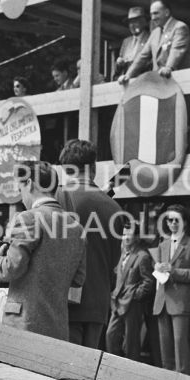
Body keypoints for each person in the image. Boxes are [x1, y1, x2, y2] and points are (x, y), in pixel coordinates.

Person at [0, 161, 86, 341]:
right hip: (58, 326)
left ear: (30, 184)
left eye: (20, 189)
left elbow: (9, 269)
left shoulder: (28, 218)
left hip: (23, 324)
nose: (21, 197)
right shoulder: (77, 228)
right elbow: (78, 279)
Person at [57, 139, 123, 348]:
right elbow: (114, 260)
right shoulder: (113, 207)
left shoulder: (57, 198)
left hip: (63, 301)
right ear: (93, 167)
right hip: (98, 304)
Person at [150, 204, 190, 375]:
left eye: (177, 220)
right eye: (170, 220)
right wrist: (158, 268)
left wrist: (174, 271)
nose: (173, 223)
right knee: (165, 348)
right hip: (162, 300)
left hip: (181, 301)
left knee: (181, 346)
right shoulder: (163, 245)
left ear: (184, 223)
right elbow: (158, 269)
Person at [105, 220, 155, 361]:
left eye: (130, 234)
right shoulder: (122, 253)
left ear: (137, 237)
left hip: (132, 303)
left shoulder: (143, 256)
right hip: (117, 302)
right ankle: (114, 366)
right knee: (110, 336)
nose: (126, 237)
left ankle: (131, 371)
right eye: (124, 234)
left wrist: (135, 295)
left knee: (131, 342)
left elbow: (148, 281)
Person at [120, 0, 190, 84]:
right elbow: (142, 56)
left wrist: (168, 67)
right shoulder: (155, 33)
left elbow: (176, 50)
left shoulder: (179, 27)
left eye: (156, 13)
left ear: (166, 12)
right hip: (165, 83)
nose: (153, 18)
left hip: (185, 80)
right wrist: (128, 75)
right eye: (151, 14)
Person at [114, 6, 151, 80]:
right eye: (130, 23)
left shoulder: (150, 38)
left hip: (143, 80)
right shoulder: (126, 42)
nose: (132, 25)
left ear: (143, 22)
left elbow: (150, 62)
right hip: (126, 81)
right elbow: (118, 70)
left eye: (135, 22)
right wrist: (119, 64)